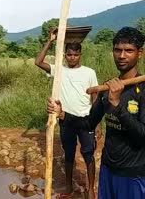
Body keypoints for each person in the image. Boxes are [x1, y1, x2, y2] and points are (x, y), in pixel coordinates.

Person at [48, 27, 145, 198]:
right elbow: (88, 123)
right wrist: (63, 114)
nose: (122, 56)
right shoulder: (107, 88)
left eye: (128, 50)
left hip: (133, 174)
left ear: (140, 53)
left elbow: (142, 136)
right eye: (117, 50)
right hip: (108, 170)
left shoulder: (142, 90)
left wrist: (116, 105)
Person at [35, 29, 98, 198]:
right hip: (65, 119)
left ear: (80, 55)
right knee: (68, 154)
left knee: (88, 154)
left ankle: (91, 189)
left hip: (86, 120)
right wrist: (50, 41)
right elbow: (38, 62)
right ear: (65, 55)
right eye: (69, 55)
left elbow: (95, 99)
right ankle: (69, 187)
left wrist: (97, 123)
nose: (72, 58)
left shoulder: (89, 72)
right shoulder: (59, 70)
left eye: (75, 55)